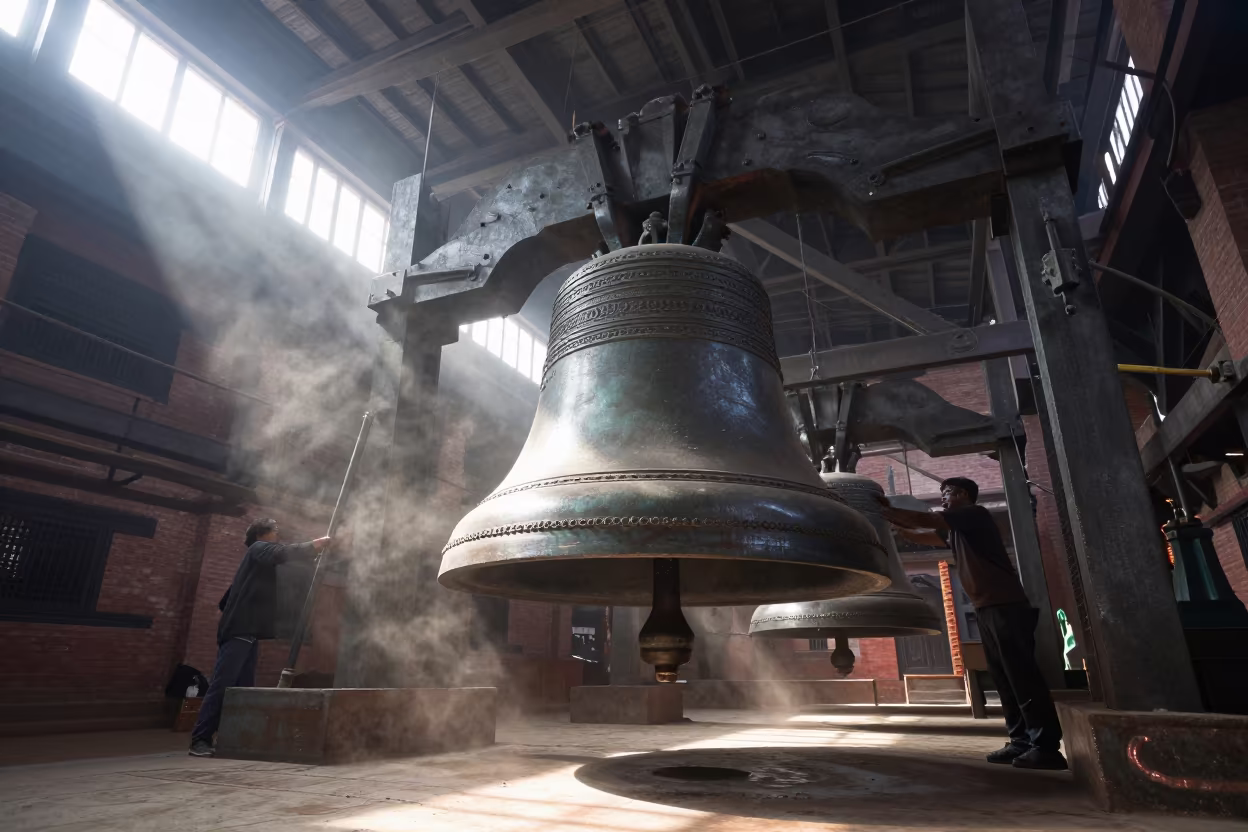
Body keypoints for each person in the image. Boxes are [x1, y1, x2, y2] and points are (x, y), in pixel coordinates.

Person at [877, 477, 1067, 771]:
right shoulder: (956, 533)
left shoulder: (973, 515)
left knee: (1022, 677)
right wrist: (894, 526)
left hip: (1005, 605)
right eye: (941, 493)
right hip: (987, 608)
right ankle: (1021, 741)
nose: (943, 498)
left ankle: (1046, 747)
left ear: (963, 494)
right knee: (1004, 679)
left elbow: (922, 519)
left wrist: (884, 509)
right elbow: (920, 534)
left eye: (947, 493)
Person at [188, 519, 330, 757]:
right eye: (276, 531)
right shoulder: (257, 548)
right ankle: (199, 739)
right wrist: (315, 544)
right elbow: (281, 553)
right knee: (223, 686)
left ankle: (233, 738)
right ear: (263, 534)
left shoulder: (254, 570)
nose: (278, 535)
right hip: (240, 632)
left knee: (242, 689)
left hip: (247, 633)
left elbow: (225, 602)